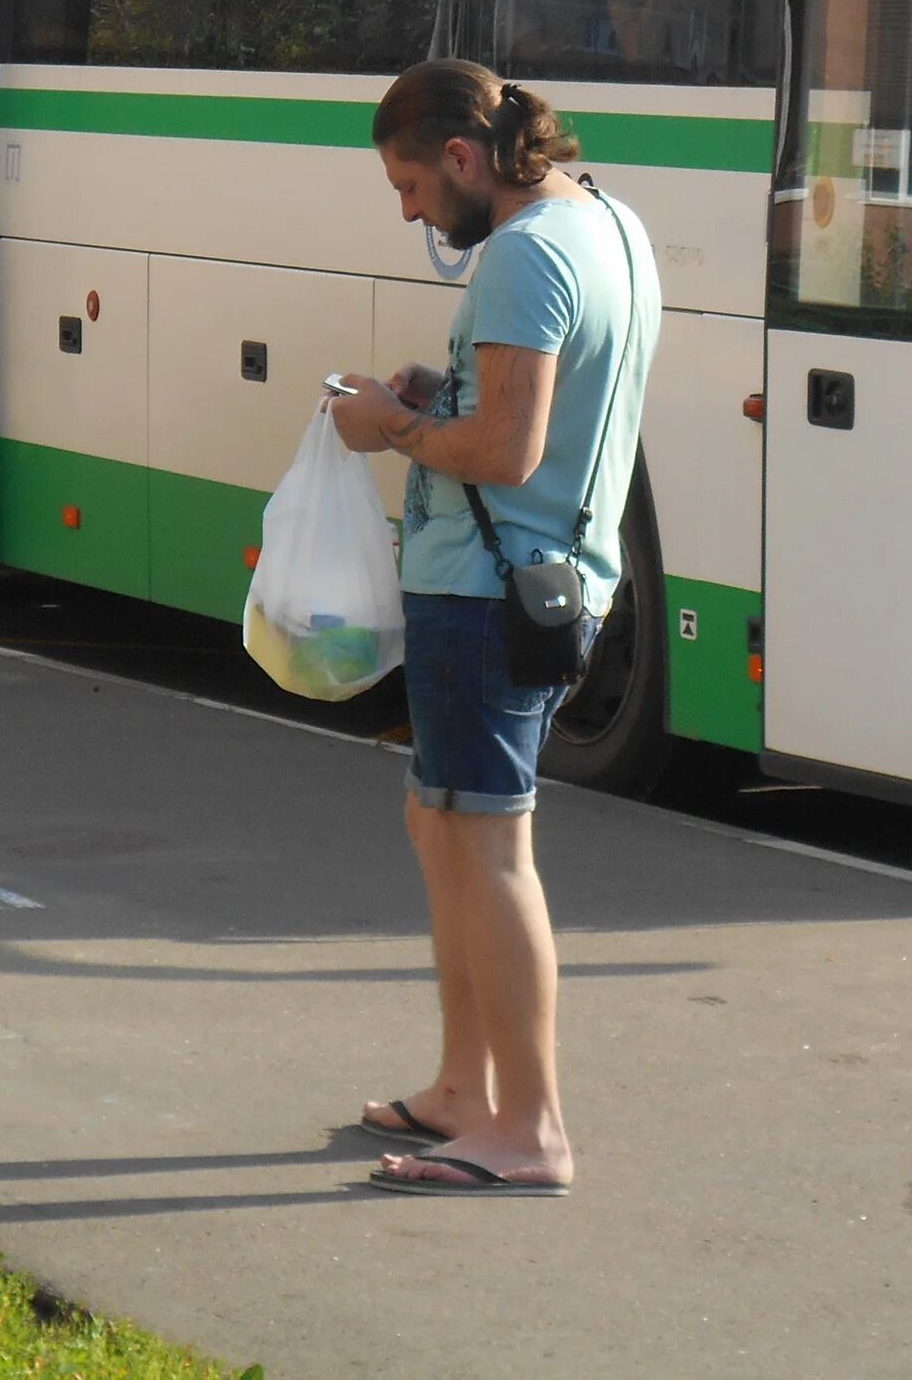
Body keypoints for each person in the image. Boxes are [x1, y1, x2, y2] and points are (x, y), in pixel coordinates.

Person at [326, 60, 660, 1197]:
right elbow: (539, 413)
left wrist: (387, 428)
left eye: (412, 185)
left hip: (487, 584)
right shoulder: (610, 222)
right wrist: (445, 391)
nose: (410, 211)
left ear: (464, 160)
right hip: (538, 575)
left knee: (489, 844)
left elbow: (507, 454)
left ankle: (531, 1129)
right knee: (441, 822)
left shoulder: (521, 256)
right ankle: (466, 1089)